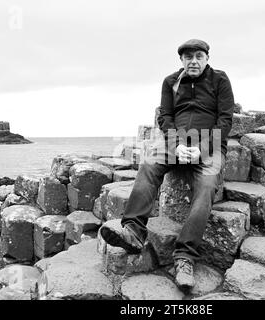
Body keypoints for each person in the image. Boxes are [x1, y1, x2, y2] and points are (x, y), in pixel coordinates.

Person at [100, 39, 234, 291]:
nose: (193, 60)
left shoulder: (220, 79)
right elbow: (166, 116)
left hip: (209, 145)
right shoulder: (170, 81)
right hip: (176, 143)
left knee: (206, 186)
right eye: (188, 57)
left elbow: (225, 120)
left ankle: (184, 257)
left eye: (198, 56)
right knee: (149, 164)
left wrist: (201, 149)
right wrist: (177, 146)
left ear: (207, 57)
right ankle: (134, 232)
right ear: (181, 60)